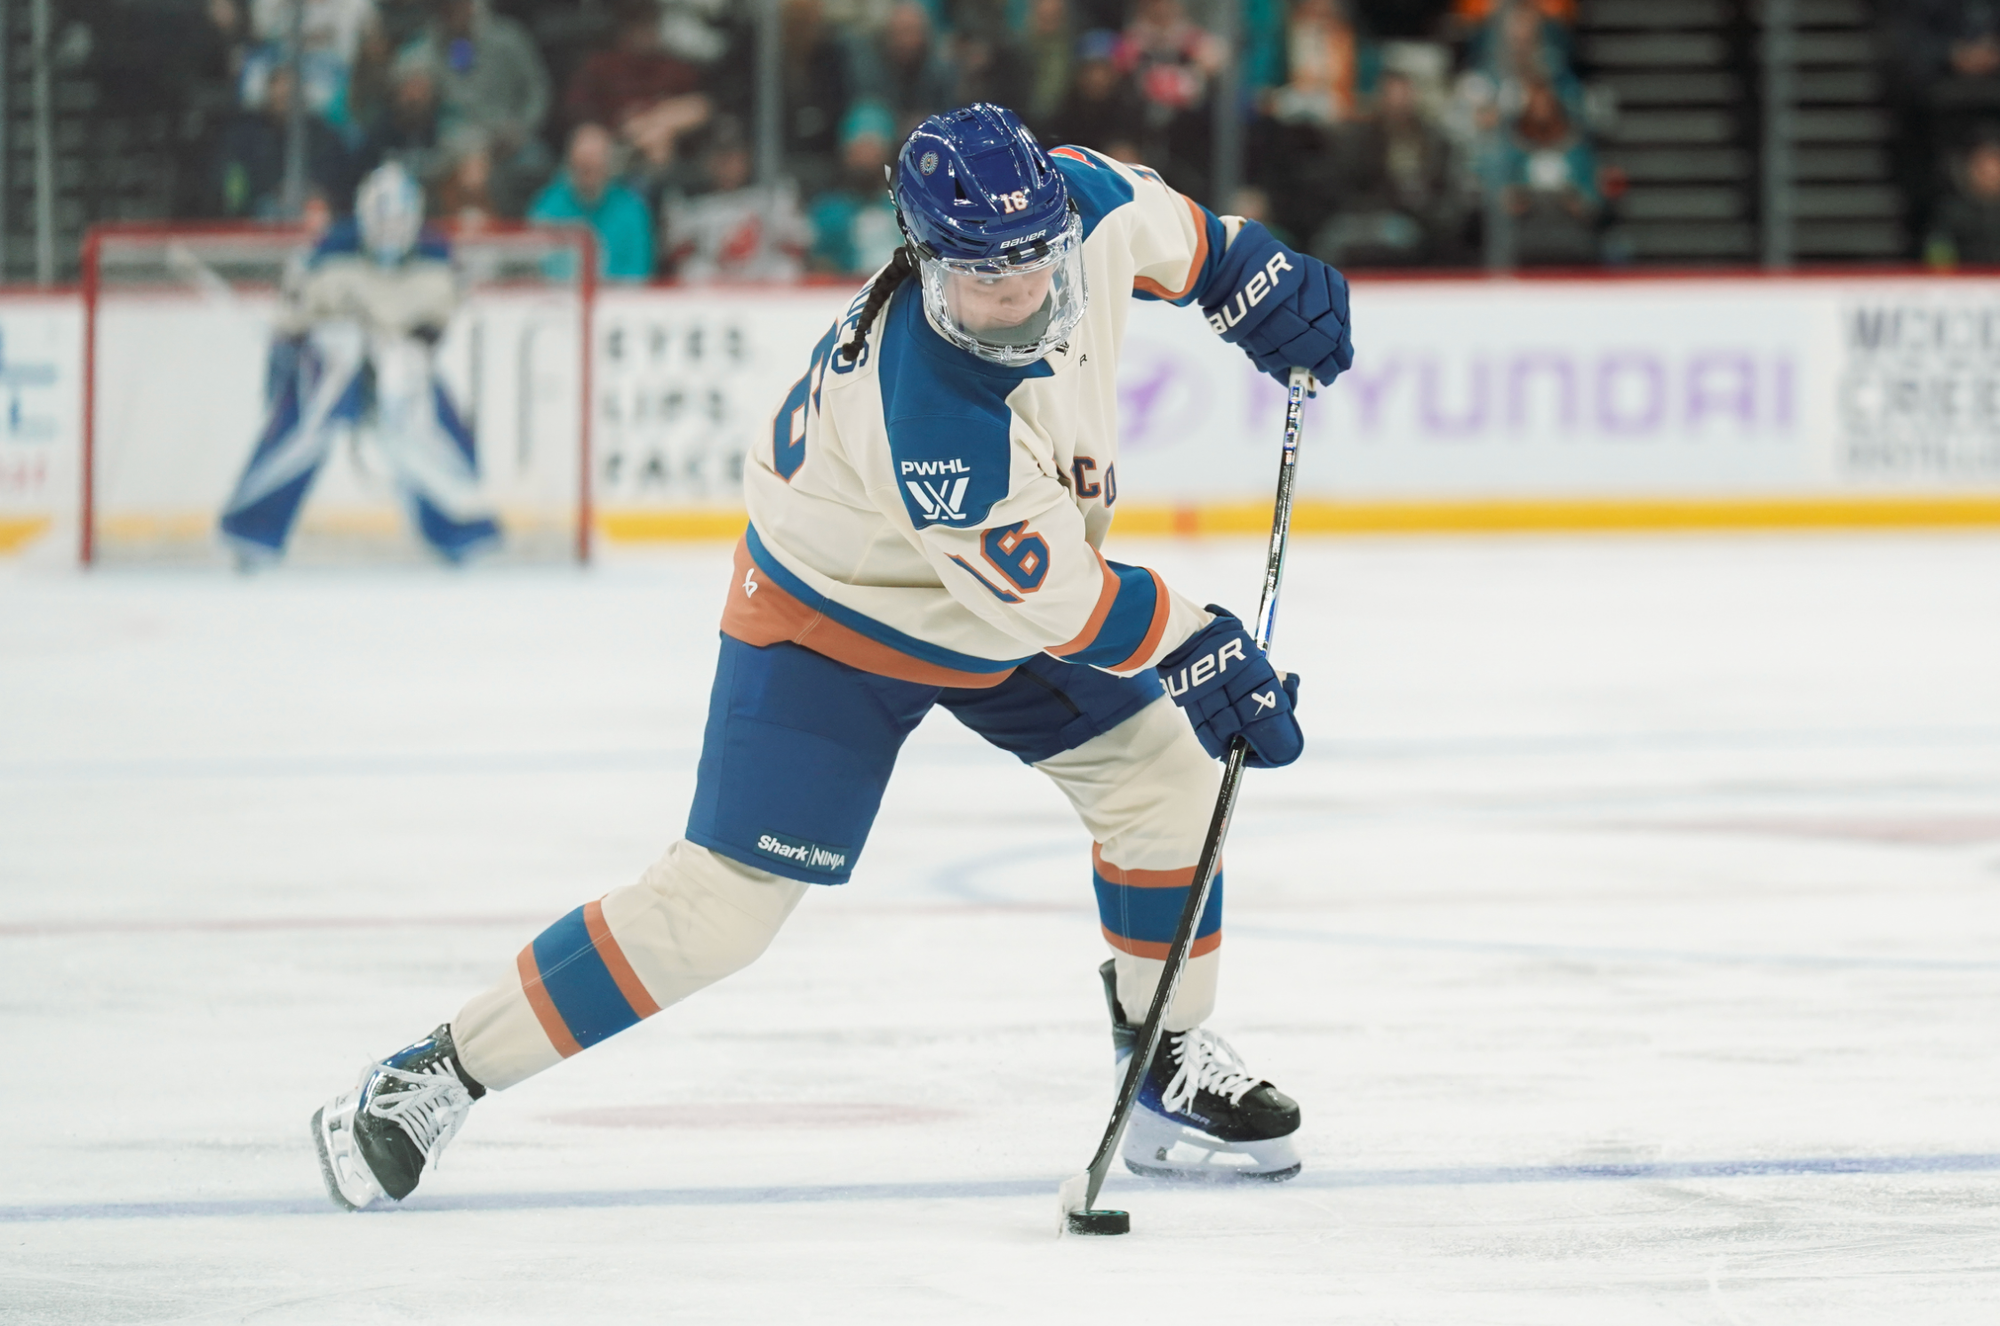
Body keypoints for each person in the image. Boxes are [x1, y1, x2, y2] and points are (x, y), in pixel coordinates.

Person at [310, 102, 1352, 1212]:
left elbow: (1197, 243)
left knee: (1165, 784)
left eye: (1033, 268)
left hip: (1005, 604)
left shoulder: (1088, 204)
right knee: (718, 912)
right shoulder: (933, 419)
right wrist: (1200, 648)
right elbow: (1067, 602)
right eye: (979, 281)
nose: (1015, 302)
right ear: (920, 260)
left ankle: (1162, 1065)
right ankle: (435, 1073)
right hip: (835, 619)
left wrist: (1259, 279)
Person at [220, 163, 500, 565]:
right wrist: (305, 334)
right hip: (332, 363)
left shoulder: (436, 259)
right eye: (380, 221)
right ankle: (253, 529)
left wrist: (413, 341)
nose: (388, 232)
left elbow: (437, 323)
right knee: (308, 416)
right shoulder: (329, 253)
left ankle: (459, 526)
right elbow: (291, 323)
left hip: (396, 364)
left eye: (398, 222)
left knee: (425, 420)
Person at [659, 118, 812, 281]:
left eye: (734, 156)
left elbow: (798, 247)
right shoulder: (687, 202)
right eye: (719, 156)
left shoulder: (775, 195)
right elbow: (677, 256)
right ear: (706, 161)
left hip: (763, 283)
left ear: (747, 157)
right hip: (714, 286)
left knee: (786, 270)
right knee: (693, 271)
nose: (726, 165)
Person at [529, 123, 657, 281]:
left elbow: (639, 269)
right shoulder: (548, 206)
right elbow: (534, 265)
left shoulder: (632, 210)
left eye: (596, 162)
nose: (589, 168)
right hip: (560, 300)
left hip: (620, 300)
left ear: (610, 164)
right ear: (570, 161)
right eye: (583, 164)